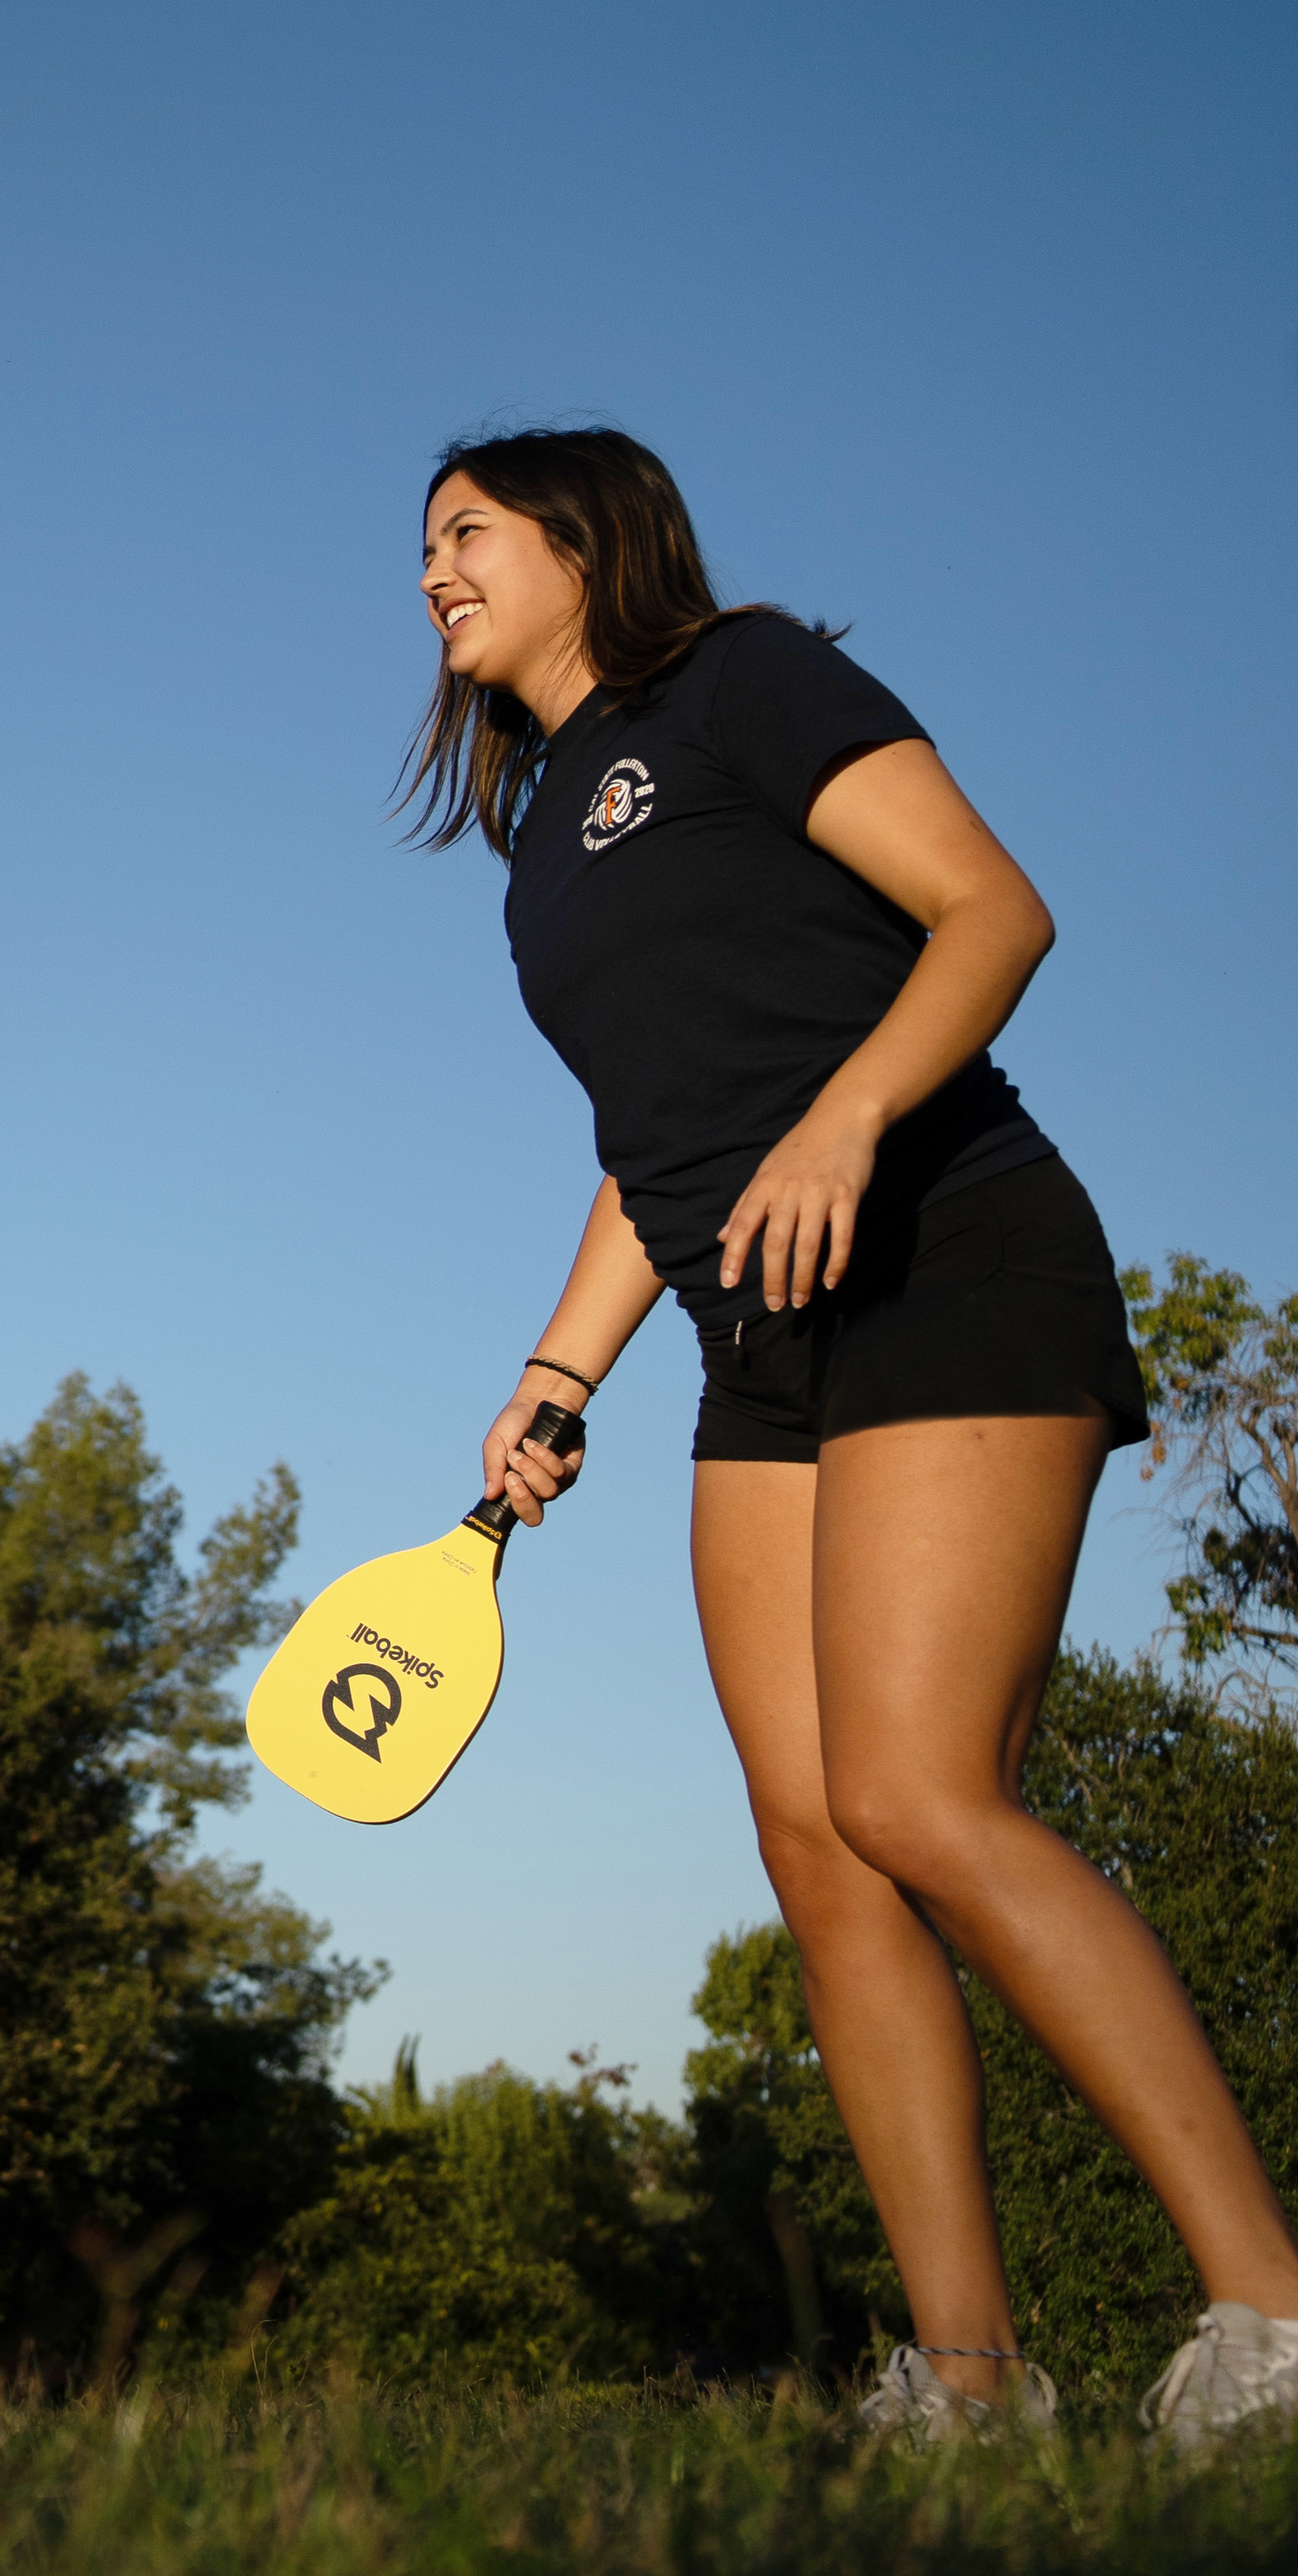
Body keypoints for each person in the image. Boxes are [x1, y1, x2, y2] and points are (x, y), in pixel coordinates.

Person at [413, 426, 1295, 2452]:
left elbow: (993, 912)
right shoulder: (541, 839)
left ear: (587, 540)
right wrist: (558, 1375)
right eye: (424, 548)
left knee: (920, 1798)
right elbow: (655, 1143)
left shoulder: (746, 678)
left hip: (945, 1252)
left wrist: (844, 1121)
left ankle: (1273, 2308)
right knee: (814, 1846)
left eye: (467, 532)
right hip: (757, 1338)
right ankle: (970, 2386)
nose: (434, 572)